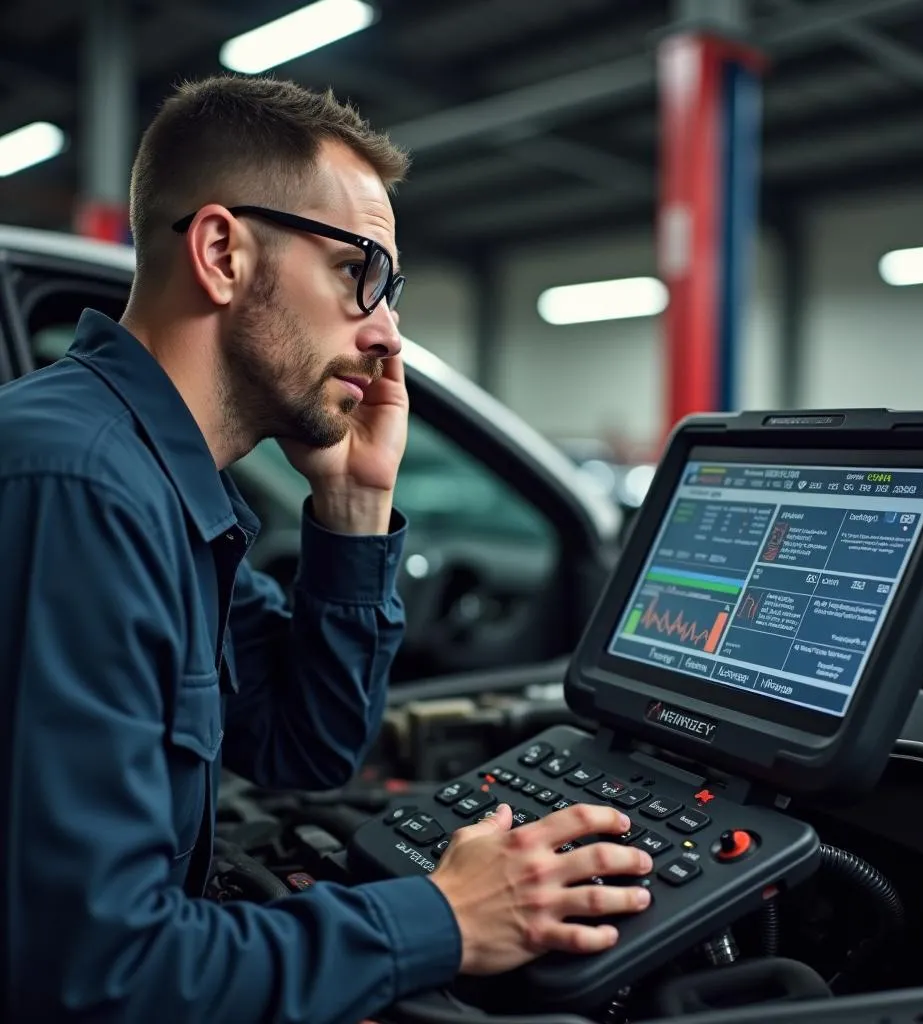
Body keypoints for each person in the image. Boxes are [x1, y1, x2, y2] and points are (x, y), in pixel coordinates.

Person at [0, 75, 653, 1023]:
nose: (386, 331)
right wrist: (440, 918)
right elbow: (98, 972)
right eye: (361, 273)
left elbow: (302, 745)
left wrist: (353, 503)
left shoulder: (167, 486)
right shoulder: (82, 487)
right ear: (222, 251)